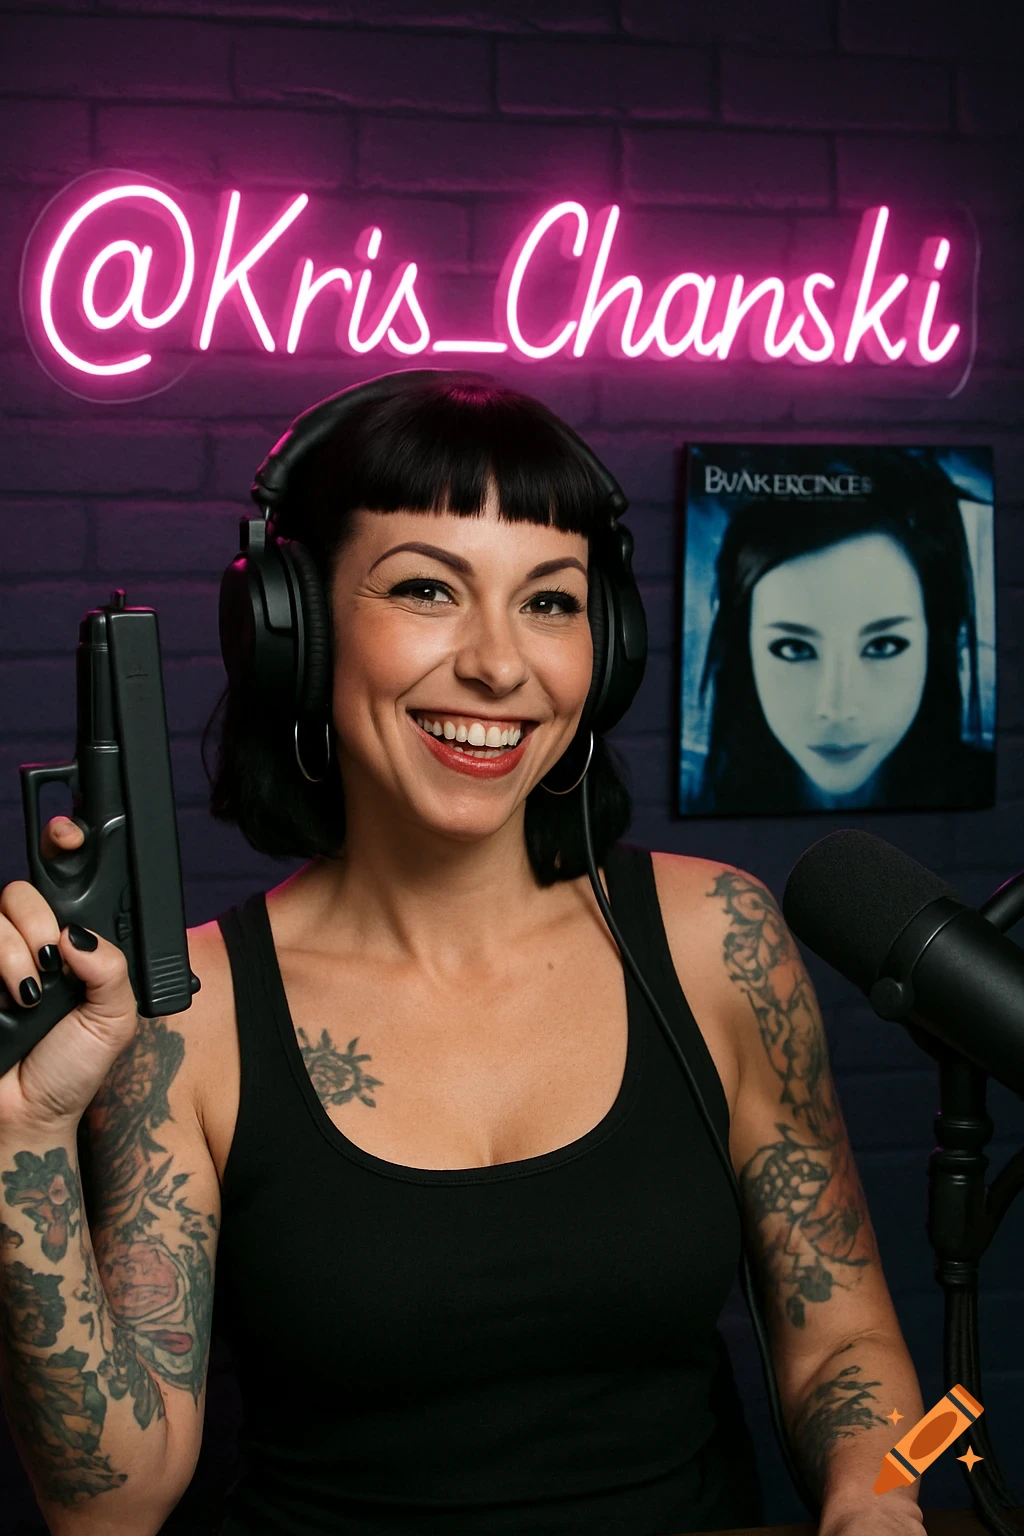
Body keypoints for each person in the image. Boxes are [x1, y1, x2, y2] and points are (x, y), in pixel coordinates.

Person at [0, 374, 928, 1536]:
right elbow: (111, 1507)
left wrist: (876, 1494)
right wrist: (23, 1135)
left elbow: (844, 1337)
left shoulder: (720, 943)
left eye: (550, 603)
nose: (499, 666)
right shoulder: (191, 1018)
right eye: (429, 588)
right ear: (294, 631)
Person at [692, 451, 994, 815]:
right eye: (793, 648)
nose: (836, 708)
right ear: (745, 648)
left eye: (884, 645)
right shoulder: (701, 795)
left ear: (939, 641)